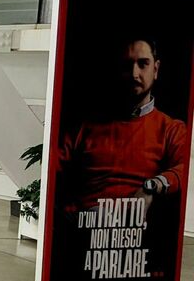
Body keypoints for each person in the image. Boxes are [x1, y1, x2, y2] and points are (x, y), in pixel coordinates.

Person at [56, 37, 188, 217]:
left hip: (135, 225)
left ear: (155, 69)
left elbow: (186, 168)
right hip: (83, 221)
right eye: (127, 65)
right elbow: (52, 169)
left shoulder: (171, 129)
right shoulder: (84, 127)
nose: (134, 74)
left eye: (143, 64)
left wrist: (152, 186)